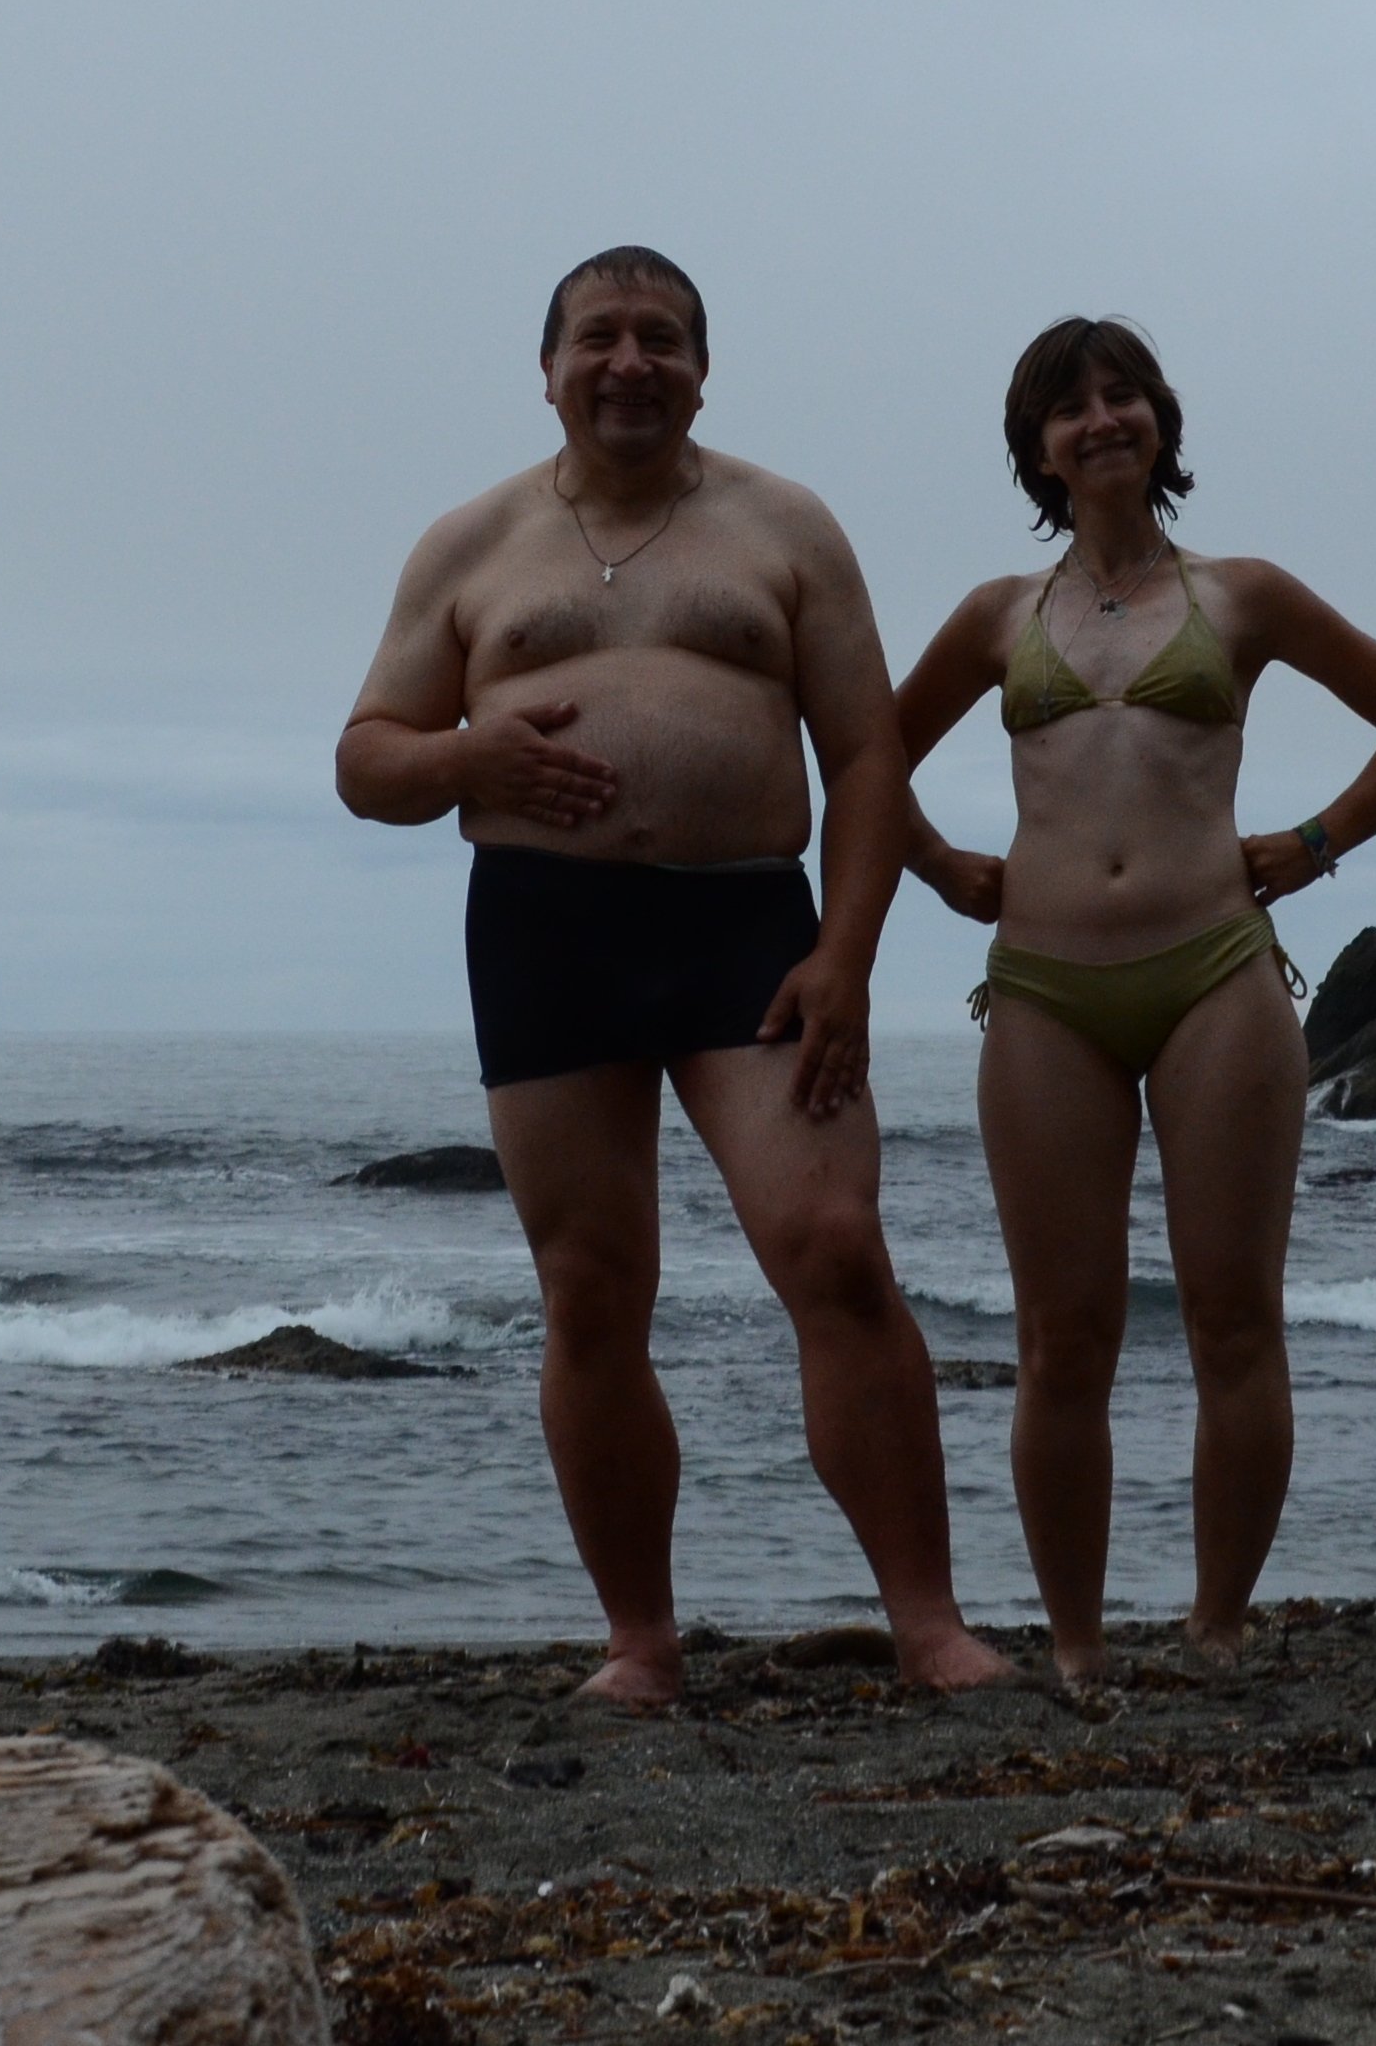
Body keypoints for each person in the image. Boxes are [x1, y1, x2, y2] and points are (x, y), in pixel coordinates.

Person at [336, 245, 1012, 1705]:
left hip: (746, 929)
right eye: (600, 337)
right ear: (548, 369)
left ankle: (930, 1627)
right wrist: (471, 756)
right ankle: (640, 1642)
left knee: (835, 1249)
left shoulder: (785, 526)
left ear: (704, 371)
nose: (629, 363)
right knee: (590, 1293)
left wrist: (847, 956)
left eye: (662, 339)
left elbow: (866, 758)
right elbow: (366, 761)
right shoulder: (471, 545)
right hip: (545, 930)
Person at [895, 316, 1376, 1679]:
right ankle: (1078, 1652)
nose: (1102, 421)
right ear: (1038, 449)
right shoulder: (995, 617)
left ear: (1160, 420)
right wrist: (938, 865)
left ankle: (1216, 1630)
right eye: (1071, 407)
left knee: (1234, 1320)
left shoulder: (1241, 596)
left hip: (1217, 976)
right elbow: (866, 757)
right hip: (1045, 992)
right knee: (1062, 1339)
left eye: (1124, 396)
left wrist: (1316, 842)